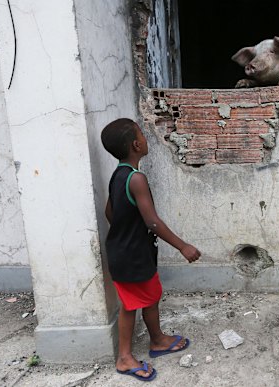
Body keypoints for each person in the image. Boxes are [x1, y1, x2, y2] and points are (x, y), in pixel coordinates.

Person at [101, 118, 201, 381]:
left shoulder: (118, 174)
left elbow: (109, 211)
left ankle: (157, 340)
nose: (145, 139)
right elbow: (152, 221)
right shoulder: (136, 179)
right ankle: (124, 358)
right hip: (132, 256)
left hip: (128, 252)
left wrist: (125, 233)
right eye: (142, 135)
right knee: (130, 305)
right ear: (136, 145)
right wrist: (183, 246)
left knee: (151, 294)